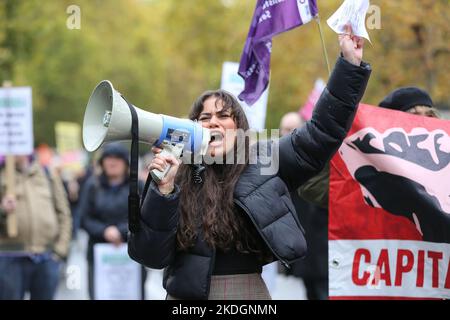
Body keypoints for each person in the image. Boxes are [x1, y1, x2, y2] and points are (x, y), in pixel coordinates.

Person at [128, 25, 371, 300]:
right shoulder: (177, 173)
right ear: (192, 127)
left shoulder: (263, 159)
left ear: (239, 126)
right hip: (185, 298)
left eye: (223, 115)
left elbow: (320, 133)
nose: (213, 122)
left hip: (244, 293)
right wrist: (163, 192)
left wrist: (350, 66)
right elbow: (149, 254)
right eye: (204, 117)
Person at [299, 86, 442, 208]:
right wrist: (334, 141)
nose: (424, 122)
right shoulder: (365, 168)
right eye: (414, 115)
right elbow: (311, 187)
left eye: (430, 116)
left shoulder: (444, 163)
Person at [79, 143, 146, 299]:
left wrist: (121, 230)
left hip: (131, 252)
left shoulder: (137, 186)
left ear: (126, 163)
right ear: (102, 162)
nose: (112, 162)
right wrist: (104, 230)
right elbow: (84, 218)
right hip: (99, 254)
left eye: (117, 158)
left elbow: (144, 215)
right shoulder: (92, 186)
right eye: (108, 158)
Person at [0, 154, 72, 300]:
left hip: (46, 257)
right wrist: (2, 210)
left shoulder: (47, 173)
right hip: (9, 257)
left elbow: (64, 214)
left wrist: (59, 251)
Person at [279, 112, 329, 300]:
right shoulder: (277, 164)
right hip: (303, 253)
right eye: (284, 129)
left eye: (293, 129)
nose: (287, 134)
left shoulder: (316, 160)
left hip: (323, 251)